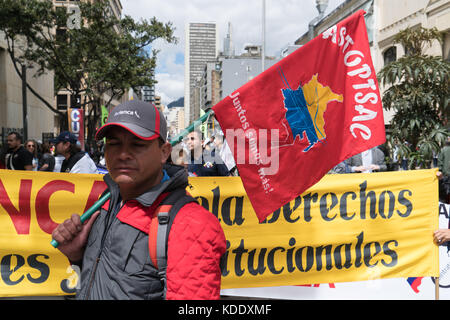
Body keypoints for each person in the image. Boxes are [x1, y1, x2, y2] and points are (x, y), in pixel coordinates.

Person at [51, 100, 226, 300]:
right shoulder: (106, 202)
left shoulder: (191, 224)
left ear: (164, 152)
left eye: (137, 144)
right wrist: (75, 256)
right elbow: (90, 284)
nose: (123, 154)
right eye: (114, 144)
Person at [437, 136, 450, 203]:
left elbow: (440, 162)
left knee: (444, 191)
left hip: (445, 175)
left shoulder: (443, 150)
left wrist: (440, 171)